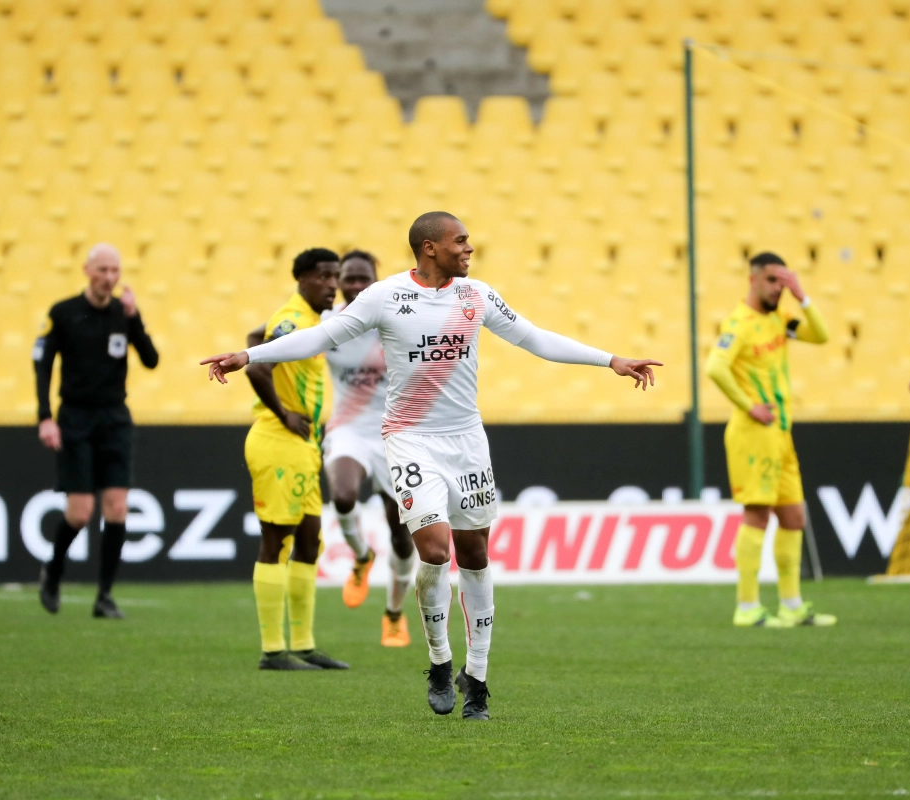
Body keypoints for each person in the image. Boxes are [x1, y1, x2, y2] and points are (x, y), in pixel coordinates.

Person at [202, 211, 661, 720]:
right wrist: (249, 355)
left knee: (476, 554)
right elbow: (321, 337)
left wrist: (611, 360)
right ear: (429, 248)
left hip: (467, 441)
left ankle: (478, 679)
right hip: (410, 439)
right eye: (459, 241)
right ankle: (441, 661)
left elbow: (535, 338)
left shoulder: (476, 295)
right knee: (436, 551)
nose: (468, 248)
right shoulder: (385, 296)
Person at [248, 250, 415, 647]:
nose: (356, 286)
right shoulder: (328, 320)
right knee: (341, 496)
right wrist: (257, 359)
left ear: (377, 281)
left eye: (363, 279)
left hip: (395, 432)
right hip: (348, 429)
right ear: (339, 283)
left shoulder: (394, 316)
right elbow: (260, 337)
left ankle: (393, 613)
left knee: (402, 534)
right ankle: (361, 556)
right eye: (348, 279)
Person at [705, 251, 834, 629]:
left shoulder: (780, 318)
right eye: (774, 281)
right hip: (753, 434)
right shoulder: (739, 324)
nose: (780, 288)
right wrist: (748, 406)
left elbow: (822, 336)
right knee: (757, 515)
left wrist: (803, 295)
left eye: (783, 281)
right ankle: (747, 606)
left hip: (780, 434)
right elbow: (715, 367)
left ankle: (791, 605)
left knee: (794, 517)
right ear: (754, 280)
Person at [34, 243, 158, 619]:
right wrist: (45, 416)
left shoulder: (125, 314)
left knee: (117, 507)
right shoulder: (64, 313)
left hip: (114, 418)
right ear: (87, 270)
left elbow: (151, 360)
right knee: (80, 511)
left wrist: (135, 319)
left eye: (115, 270)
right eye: (102, 270)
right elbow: (42, 365)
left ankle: (104, 596)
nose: (109, 277)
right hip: (75, 418)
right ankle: (53, 572)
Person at [242, 248, 348, 671]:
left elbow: (255, 337)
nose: (332, 285)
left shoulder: (309, 321)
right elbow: (255, 366)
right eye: (323, 276)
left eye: (335, 276)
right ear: (302, 279)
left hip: (305, 447)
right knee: (276, 542)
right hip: (278, 442)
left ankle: (303, 644)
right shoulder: (294, 319)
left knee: (310, 541)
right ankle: (272, 650)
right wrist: (283, 412)